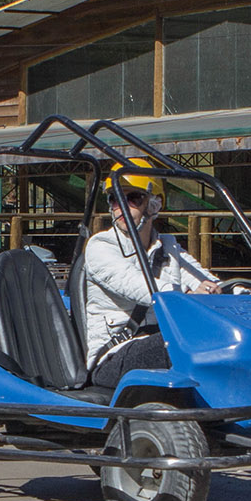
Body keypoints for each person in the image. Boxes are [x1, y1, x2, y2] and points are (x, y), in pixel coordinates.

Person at [81, 163, 218, 389]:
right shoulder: (100, 246)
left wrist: (241, 291)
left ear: (155, 205)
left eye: (133, 198)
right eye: (115, 199)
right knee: (189, 341)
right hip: (114, 355)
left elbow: (203, 280)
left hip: (161, 341)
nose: (121, 207)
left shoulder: (168, 247)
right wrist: (188, 295)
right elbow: (140, 286)